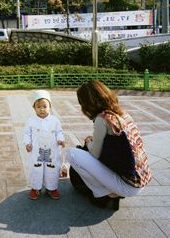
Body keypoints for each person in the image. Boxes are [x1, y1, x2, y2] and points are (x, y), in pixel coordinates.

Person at [65, 80, 152, 210]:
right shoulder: (123, 114)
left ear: (88, 103)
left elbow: (95, 153)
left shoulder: (102, 118)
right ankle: (110, 191)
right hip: (141, 180)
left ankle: (103, 193)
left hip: (128, 186)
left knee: (71, 154)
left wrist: (89, 142)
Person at [23, 90, 65, 200]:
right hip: (36, 150)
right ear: (34, 108)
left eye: (44, 106)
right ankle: (35, 187)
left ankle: (51, 188)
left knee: (52, 169)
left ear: (49, 107)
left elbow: (59, 132)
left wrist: (60, 140)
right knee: (36, 169)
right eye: (38, 107)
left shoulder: (54, 120)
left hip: (52, 150)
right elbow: (27, 133)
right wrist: (27, 143)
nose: (42, 109)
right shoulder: (31, 120)